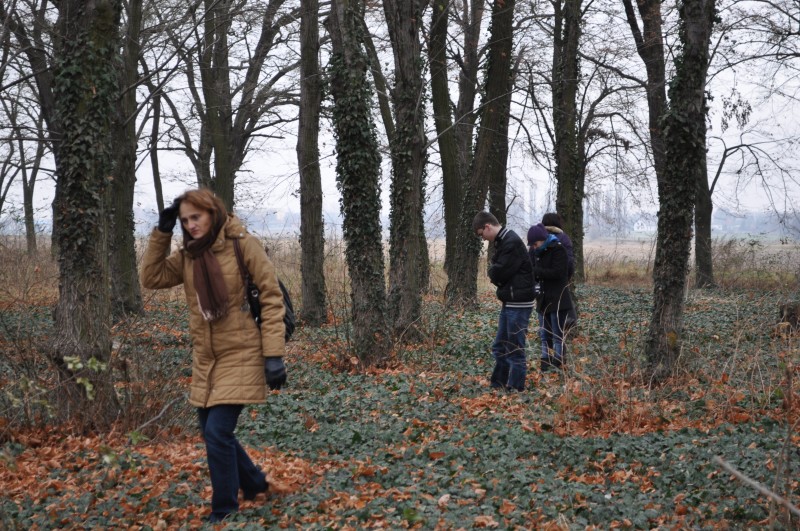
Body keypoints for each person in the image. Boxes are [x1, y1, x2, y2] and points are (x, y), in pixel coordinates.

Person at [140, 188, 287, 522]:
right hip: (207, 357)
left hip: (243, 351)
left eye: (197, 217)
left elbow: (270, 295)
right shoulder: (190, 254)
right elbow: (151, 278)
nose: (191, 225)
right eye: (185, 220)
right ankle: (254, 483)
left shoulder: (241, 243)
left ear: (213, 212)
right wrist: (162, 234)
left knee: (217, 433)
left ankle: (224, 510)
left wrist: (274, 355)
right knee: (211, 430)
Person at [473, 211, 536, 391]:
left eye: (481, 234)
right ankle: (498, 383)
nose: (483, 239)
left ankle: (515, 388)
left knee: (515, 347)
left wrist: (496, 275)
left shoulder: (511, 242)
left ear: (487, 227)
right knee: (500, 345)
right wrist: (497, 274)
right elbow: (496, 268)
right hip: (510, 300)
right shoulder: (504, 241)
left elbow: (498, 272)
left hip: (519, 302)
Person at [528, 223, 574, 372]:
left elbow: (559, 273)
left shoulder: (558, 249)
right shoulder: (535, 252)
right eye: (532, 245)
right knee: (543, 333)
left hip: (558, 298)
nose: (534, 247)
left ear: (542, 239)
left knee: (557, 334)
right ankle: (545, 359)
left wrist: (537, 272)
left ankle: (558, 361)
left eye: (535, 244)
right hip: (542, 298)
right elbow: (531, 270)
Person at [541, 212, 578, 329]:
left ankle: (546, 342)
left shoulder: (539, 237)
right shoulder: (564, 238)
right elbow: (570, 262)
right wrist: (566, 277)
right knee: (559, 326)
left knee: (545, 324)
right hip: (559, 283)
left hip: (542, 284)